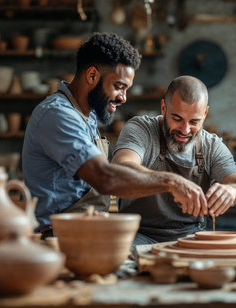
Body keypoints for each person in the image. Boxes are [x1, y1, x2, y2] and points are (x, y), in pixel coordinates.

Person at [23, 33, 211, 239]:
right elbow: (105, 178)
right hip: (58, 239)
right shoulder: (58, 114)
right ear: (92, 76)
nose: (123, 97)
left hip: (84, 233)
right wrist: (173, 182)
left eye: (126, 89)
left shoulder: (86, 116)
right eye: (119, 87)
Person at [112, 75, 236, 246]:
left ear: (205, 113)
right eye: (177, 119)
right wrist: (172, 182)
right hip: (138, 234)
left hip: (190, 237)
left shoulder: (211, 145)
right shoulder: (141, 129)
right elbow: (120, 170)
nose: (185, 130)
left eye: (194, 121)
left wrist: (234, 190)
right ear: (163, 107)